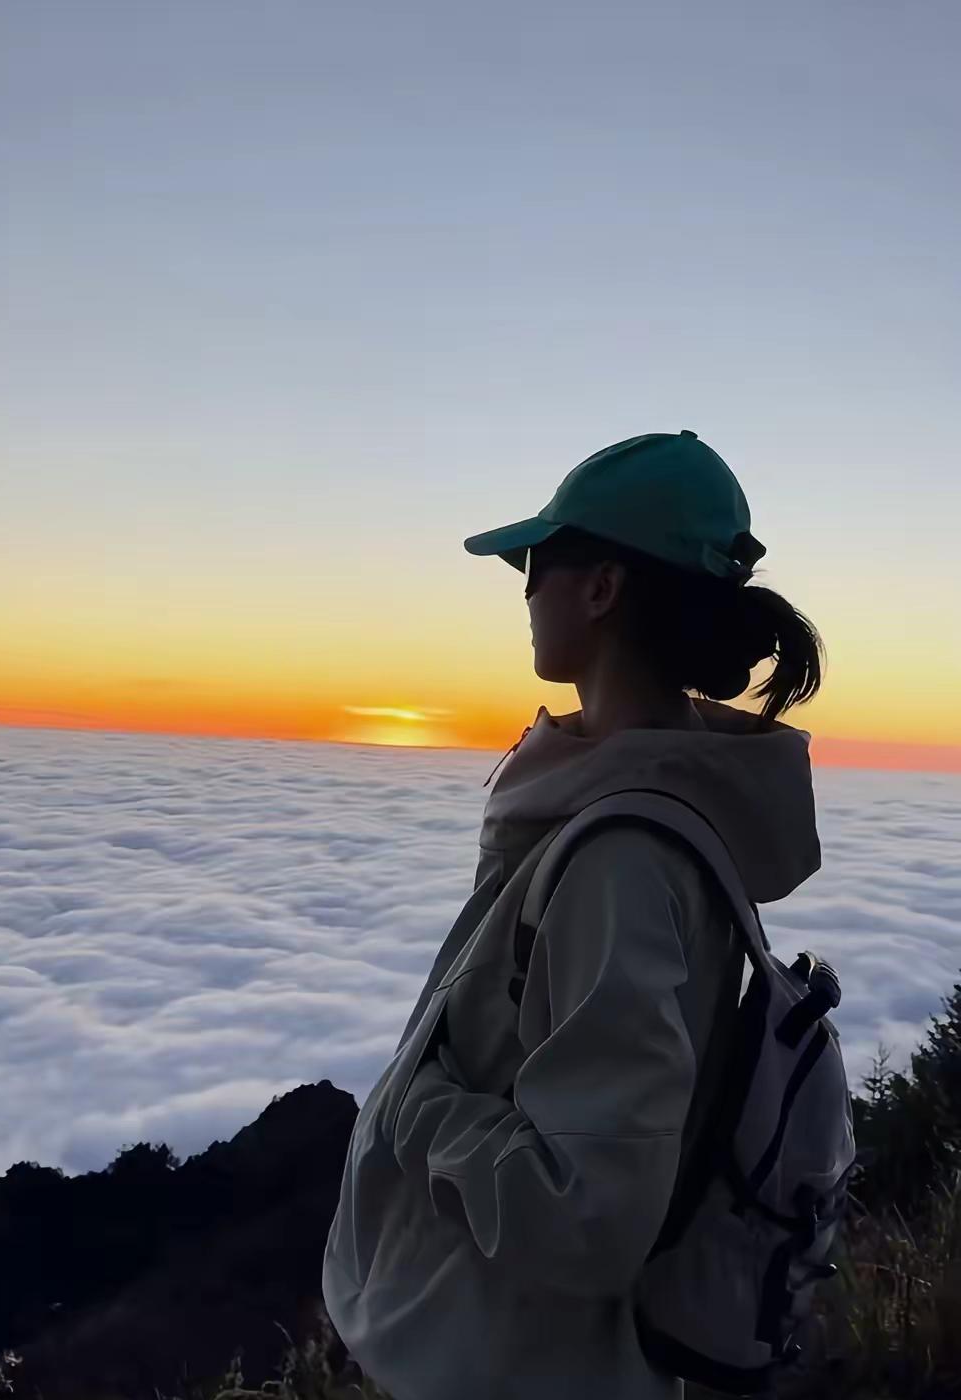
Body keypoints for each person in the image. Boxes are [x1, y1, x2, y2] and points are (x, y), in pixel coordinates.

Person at [322, 431, 825, 1400]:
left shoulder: (619, 861)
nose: (521, 583)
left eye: (536, 558)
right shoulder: (619, 806)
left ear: (601, 587)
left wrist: (412, 1103)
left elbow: (590, 1215)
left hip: (524, 1367)